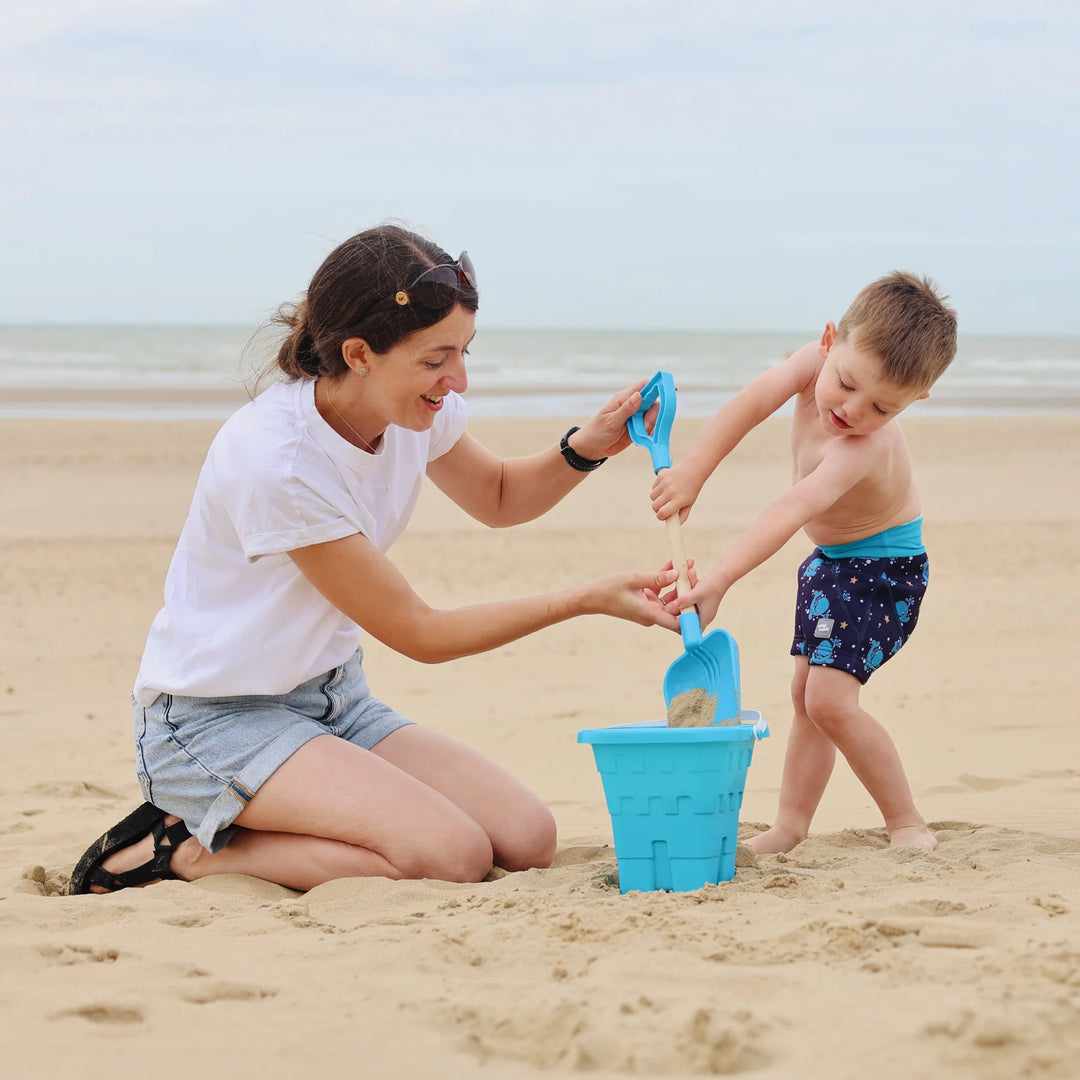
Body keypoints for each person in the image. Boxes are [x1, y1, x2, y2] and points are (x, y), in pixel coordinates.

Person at [69, 224, 683, 895]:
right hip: (215, 720)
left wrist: (587, 446)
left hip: (334, 699)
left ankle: (256, 818)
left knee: (527, 837)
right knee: (451, 855)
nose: (458, 379)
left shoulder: (411, 413)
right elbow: (421, 633)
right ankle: (182, 852)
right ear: (359, 354)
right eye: (436, 359)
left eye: (464, 352)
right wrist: (583, 600)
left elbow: (500, 496)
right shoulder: (280, 465)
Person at [650, 271, 957, 854]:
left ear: (913, 402)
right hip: (832, 562)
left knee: (829, 702)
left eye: (881, 407)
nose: (852, 410)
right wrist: (692, 472)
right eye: (846, 383)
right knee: (805, 698)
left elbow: (793, 507)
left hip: (883, 574)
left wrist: (718, 582)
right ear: (828, 341)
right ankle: (790, 828)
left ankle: (906, 821)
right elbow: (748, 406)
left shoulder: (862, 448)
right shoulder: (807, 365)